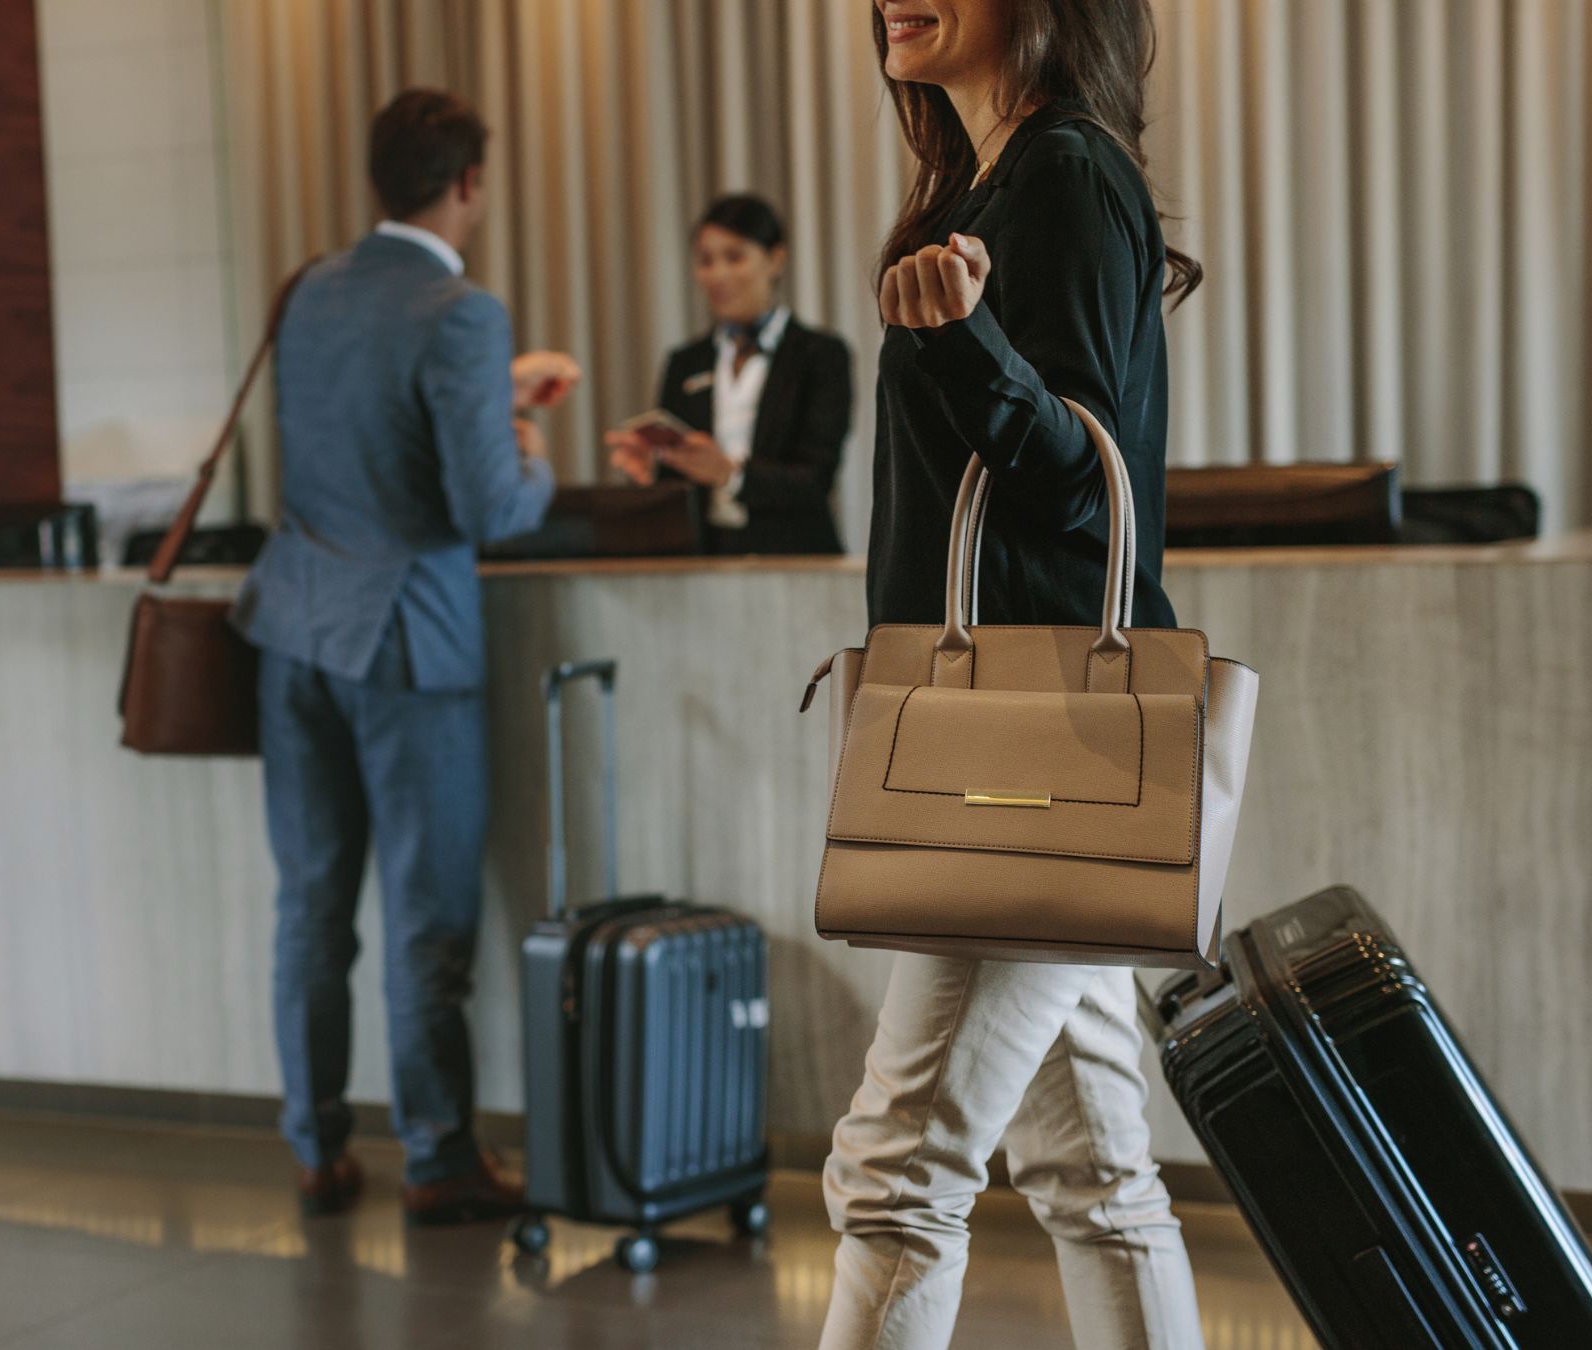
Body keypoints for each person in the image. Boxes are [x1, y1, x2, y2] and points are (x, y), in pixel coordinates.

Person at [820, 3, 1207, 1348]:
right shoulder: (991, 180)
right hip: (1019, 756)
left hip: (1027, 770)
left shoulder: (1068, 171)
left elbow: (1086, 491)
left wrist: (961, 342)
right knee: (1094, 1177)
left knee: (894, 1175)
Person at [230, 88, 579, 1227]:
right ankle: (436, 1157)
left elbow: (354, 438)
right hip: (405, 647)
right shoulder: (459, 310)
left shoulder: (310, 290)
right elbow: (486, 504)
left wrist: (489, 394)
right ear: (468, 183)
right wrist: (528, 447)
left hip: (291, 632)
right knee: (428, 918)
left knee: (311, 905)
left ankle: (315, 1149)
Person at [605, 196, 854, 555]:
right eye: (706, 260)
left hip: (795, 556)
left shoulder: (820, 354)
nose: (717, 274)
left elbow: (816, 478)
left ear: (775, 259)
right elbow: (679, 484)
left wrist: (729, 474)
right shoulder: (685, 361)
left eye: (734, 257)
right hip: (705, 559)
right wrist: (654, 471)